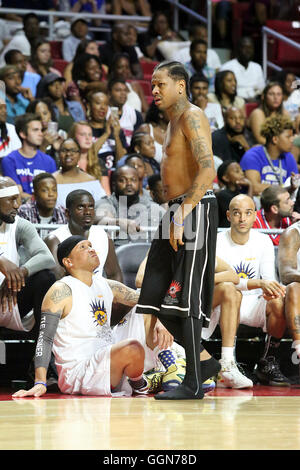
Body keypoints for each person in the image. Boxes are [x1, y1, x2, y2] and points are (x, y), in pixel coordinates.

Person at [135, 60, 218, 400]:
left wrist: (184, 211)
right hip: (175, 210)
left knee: (187, 299)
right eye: (151, 85)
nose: (153, 91)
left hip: (195, 207)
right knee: (155, 296)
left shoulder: (192, 116)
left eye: (160, 84)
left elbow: (208, 167)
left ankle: (194, 383)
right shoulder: (170, 124)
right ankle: (207, 364)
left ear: (180, 85)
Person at [11, 235, 175, 398]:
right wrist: (40, 382)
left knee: (145, 307)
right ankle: (140, 383)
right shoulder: (61, 290)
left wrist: (161, 321)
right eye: (82, 247)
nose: (91, 249)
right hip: (79, 371)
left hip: (107, 356)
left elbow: (148, 299)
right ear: (68, 262)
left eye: (90, 245)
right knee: (131, 348)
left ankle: (171, 366)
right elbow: (45, 338)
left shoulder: (105, 285)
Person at [202, 194, 290, 387]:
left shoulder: (263, 241)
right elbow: (213, 281)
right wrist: (256, 283)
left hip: (253, 301)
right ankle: (229, 362)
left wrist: (269, 289)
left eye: (248, 213)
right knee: (229, 290)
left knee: (277, 300)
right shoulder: (215, 241)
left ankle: (268, 361)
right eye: (237, 213)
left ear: (254, 216)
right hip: (222, 302)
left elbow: (268, 280)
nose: (242, 219)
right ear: (228, 215)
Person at [0, 176, 56, 333]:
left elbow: (47, 257)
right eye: (11, 200)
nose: (17, 206)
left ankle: (42, 350)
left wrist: (20, 272)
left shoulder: (20, 225)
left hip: (9, 298)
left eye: (18, 199)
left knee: (46, 277)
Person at [44, 189, 122, 283]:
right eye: (81, 207)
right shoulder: (54, 240)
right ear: (68, 213)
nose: (87, 212)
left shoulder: (104, 236)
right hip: (70, 294)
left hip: (98, 295)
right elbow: (59, 280)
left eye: (91, 207)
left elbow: (114, 275)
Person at [96, 165, 165, 244]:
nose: (129, 184)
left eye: (133, 180)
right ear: (114, 185)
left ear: (139, 183)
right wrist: (119, 222)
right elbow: (98, 218)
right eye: (122, 180)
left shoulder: (151, 207)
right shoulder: (106, 203)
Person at [1, 114, 57, 201]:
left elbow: (53, 190)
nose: (41, 134)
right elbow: (17, 193)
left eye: (41, 130)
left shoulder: (49, 161)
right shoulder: (10, 160)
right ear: (23, 134)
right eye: (35, 130)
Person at [240, 115, 298, 196]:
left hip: (280, 203)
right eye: (288, 137)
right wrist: (285, 188)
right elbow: (254, 188)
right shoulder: (252, 156)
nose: (292, 139)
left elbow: (295, 185)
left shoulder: (288, 157)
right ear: (275, 139)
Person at [53, 138, 106, 208]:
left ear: (79, 154)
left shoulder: (91, 181)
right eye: (64, 150)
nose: (68, 154)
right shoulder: (52, 180)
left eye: (73, 150)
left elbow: (102, 206)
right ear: (59, 154)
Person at [86, 90, 128, 172]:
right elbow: (89, 156)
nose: (103, 107)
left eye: (106, 104)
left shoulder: (117, 130)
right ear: (89, 106)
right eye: (98, 103)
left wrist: (116, 135)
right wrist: (106, 134)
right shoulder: (84, 129)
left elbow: (122, 163)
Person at [278, 219, 300, 366]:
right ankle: (298, 347)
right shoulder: (293, 233)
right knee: (294, 287)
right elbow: (286, 274)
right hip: (297, 291)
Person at [18, 172, 67, 238]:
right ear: (35, 194)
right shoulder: (24, 212)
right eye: (45, 190)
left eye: (54, 190)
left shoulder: (63, 213)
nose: (51, 194)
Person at [68, 121, 111, 195]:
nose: (88, 138)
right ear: (73, 137)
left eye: (90, 135)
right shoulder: (66, 162)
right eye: (83, 134)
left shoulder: (99, 163)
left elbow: (106, 194)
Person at [220, 37, 265, 101]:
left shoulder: (257, 67)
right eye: (245, 47)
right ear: (238, 49)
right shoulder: (227, 67)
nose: (248, 51)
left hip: (255, 102)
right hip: (234, 102)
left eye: (250, 48)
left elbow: (261, 90)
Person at [216, 160, 253, 228]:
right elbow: (246, 211)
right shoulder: (222, 195)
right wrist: (250, 187)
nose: (242, 173)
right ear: (226, 178)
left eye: (241, 170)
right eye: (237, 171)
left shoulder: (240, 194)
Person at [108, 78, 144, 147]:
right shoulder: (103, 112)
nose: (123, 93)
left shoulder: (135, 114)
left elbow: (139, 140)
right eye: (118, 90)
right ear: (109, 93)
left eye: (125, 90)